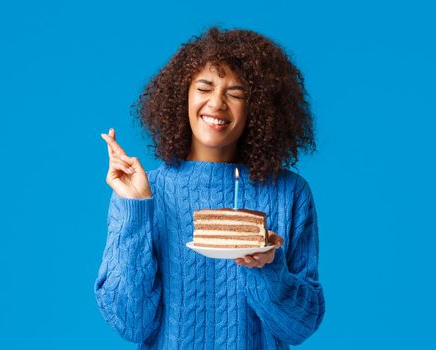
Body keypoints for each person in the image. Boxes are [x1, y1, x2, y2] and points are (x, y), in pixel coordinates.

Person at [94, 27, 325, 349]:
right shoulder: (143, 191)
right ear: (182, 95)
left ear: (258, 109)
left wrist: (268, 268)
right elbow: (130, 322)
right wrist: (135, 209)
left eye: (236, 93)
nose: (216, 103)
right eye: (204, 88)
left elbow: (300, 327)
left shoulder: (290, 193)